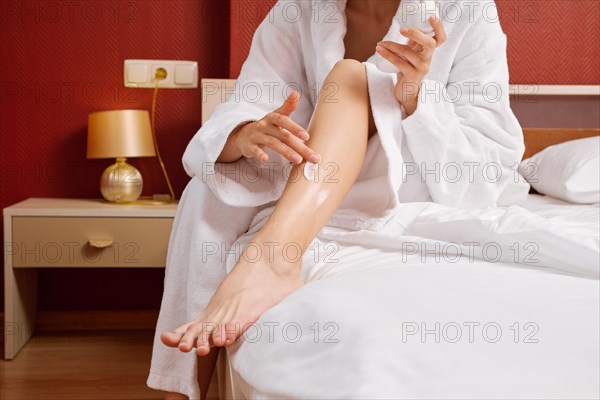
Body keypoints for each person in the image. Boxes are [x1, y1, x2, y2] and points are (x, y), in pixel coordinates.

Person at [148, 1, 526, 398]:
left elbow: (488, 158)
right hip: (308, 175)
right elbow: (251, 102)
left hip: (407, 183)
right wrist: (245, 132)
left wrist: (417, 94)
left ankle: (274, 259)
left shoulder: (466, 9)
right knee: (208, 190)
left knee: (352, 75)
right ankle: (182, 390)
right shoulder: (298, 9)